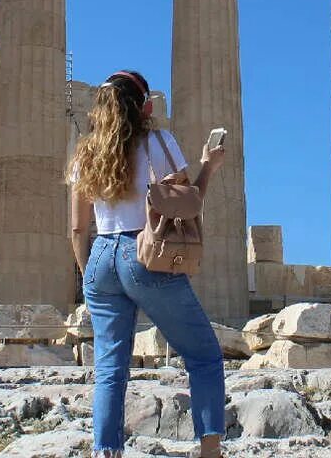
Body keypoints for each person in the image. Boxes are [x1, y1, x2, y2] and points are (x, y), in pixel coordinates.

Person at [68, 70, 226, 458]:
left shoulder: (85, 152)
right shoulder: (158, 141)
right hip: (146, 251)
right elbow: (187, 204)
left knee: (109, 369)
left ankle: (105, 451)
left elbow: (76, 227)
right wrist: (208, 166)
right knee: (204, 355)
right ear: (145, 107)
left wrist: (89, 276)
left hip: (100, 257)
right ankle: (210, 452)